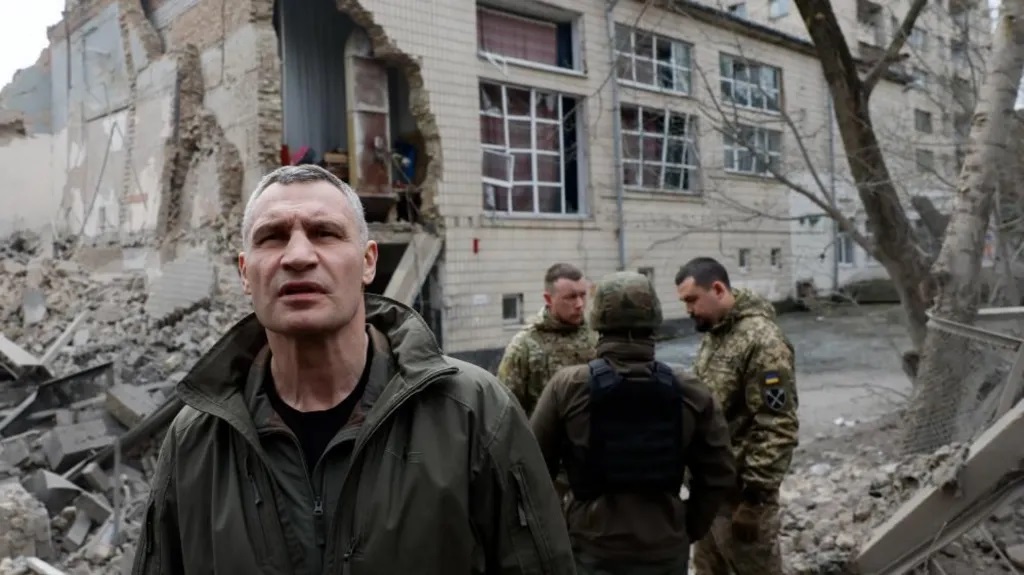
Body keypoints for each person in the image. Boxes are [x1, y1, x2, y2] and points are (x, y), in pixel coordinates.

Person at [131, 164, 576, 575]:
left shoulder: (474, 414)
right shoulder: (195, 441)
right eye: (273, 237)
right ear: (246, 273)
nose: (298, 256)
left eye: (325, 233)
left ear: (367, 262)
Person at [530, 271, 736, 575]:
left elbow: (531, 470)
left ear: (598, 320)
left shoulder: (568, 387)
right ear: (654, 319)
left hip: (591, 549)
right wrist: (685, 528)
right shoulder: (691, 391)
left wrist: (561, 530)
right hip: (665, 549)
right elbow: (719, 474)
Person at [675, 257, 799, 575]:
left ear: (718, 289)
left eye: (692, 300)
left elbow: (778, 425)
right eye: (684, 302)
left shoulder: (763, 341)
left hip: (742, 499)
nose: (688, 310)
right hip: (710, 494)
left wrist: (755, 499)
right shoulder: (717, 334)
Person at [497, 262, 597, 416]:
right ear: (549, 299)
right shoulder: (525, 345)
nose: (579, 304)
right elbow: (504, 407)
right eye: (570, 297)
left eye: (583, 295)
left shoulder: (596, 335)